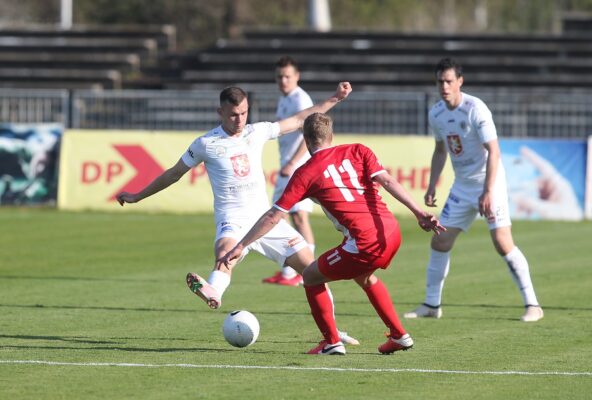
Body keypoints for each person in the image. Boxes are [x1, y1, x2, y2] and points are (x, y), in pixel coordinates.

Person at [116, 82, 359, 345]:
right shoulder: (205, 144)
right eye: (233, 114)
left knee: (312, 270)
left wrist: (336, 97)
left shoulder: (257, 132)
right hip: (233, 219)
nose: (239, 119)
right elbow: (174, 174)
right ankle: (213, 292)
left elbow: (301, 119)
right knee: (224, 254)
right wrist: (138, 195)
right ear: (220, 112)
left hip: (267, 221)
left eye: (243, 113)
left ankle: (333, 332)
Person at [218, 113, 445, 355]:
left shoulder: (305, 173)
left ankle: (331, 341)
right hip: (390, 230)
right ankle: (400, 335)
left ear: (305, 140)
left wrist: (241, 245)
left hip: (364, 241)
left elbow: (274, 216)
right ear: (331, 135)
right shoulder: (358, 150)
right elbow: (387, 181)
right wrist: (419, 213)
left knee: (311, 276)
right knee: (365, 277)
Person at [403, 58, 544, 322]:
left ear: (459, 82)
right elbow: (440, 149)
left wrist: (489, 191)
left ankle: (533, 305)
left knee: (502, 243)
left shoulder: (475, 109)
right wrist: (433, 183)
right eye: (440, 81)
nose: (444, 86)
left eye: (448, 81)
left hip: (489, 183)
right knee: (440, 240)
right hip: (462, 185)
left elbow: (494, 151)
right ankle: (432, 306)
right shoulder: (436, 113)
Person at [262, 56, 316, 286]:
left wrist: (293, 163)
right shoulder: (284, 99)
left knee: (295, 217)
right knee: (285, 217)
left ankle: (306, 272)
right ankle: (291, 272)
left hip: (298, 167)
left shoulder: (300, 99)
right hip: (289, 167)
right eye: (279, 76)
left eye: (287, 76)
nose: (283, 81)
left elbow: (310, 133)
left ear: (297, 76)